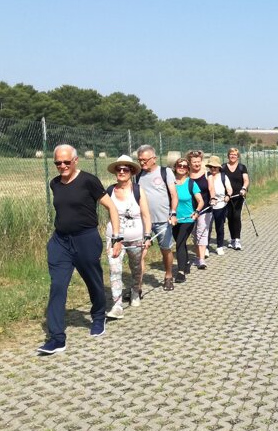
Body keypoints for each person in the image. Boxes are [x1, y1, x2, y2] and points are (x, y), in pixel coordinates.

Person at [39, 144, 121, 354]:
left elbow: (111, 207)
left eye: (67, 162)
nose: (62, 166)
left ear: (75, 161)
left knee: (93, 280)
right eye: (58, 163)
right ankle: (57, 338)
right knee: (57, 285)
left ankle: (98, 316)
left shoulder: (88, 181)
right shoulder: (54, 183)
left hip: (86, 239)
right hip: (60, 242)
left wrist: (117, 237)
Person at [104, 155, 152, 319]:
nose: (122, 171)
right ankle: (117, 306)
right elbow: (109, 215)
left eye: (126, 169)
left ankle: (135, 291)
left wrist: (147, 237)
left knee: (136, 267)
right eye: (119, 169)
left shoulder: (138, 191)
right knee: (115, 270)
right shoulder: (110, 191)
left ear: (131, 172)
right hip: (114, 238)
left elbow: (146, 215)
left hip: (136, 238)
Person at [136, 145, 179, 291]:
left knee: (165, 249)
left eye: (145, 160)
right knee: (140, 253)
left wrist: (173, 213)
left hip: (163, 221)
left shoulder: (165, 172)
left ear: (153, 159)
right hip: (143, 222)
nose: (142, 163)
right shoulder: (138, 175)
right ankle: (138, 286)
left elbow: (174, 195)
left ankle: (168, 276)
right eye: (139, 160)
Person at [172, 157, 204, 284]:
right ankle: (185, 263)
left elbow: (201, 201)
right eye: (179, 165)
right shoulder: (170, 183)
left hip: (188, 219)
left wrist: (196, 212)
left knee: (179, 243)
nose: (182, 167)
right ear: (175, 167)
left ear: (187, 169)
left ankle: (181, 272)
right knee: (181, 242)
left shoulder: (191, 183)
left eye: (185, 166)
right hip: (174, 219)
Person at [221, 147, 250, 250]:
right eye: (231, 154)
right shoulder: (223, 167)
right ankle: (232, 239)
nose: (233, 156)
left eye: (235, 155)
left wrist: (243, 188)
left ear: (238, 157)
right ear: (228, 155)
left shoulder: (242, 167)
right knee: (230, 217)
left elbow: (246, 180)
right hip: (227, 197)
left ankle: (237, 240)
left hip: (238, 196)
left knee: (236, 216)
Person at [187, 150, 211, 269]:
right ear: (190, 163)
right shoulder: (186, 175)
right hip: (189, 209)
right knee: (194, 233)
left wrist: (213, 199)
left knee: (202, 231)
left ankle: (201, 259)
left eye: (198, 162)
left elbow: (211, 189)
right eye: (194, 162)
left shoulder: (207, 174)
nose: (197, 164)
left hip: (205, 208)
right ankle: (197, 256)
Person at [206, 155, 233, 254]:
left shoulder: (223, 176)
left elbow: (229, 189)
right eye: (211, 167)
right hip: (208, 205)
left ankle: (220, 246)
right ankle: (205, 248)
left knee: (219, 226)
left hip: (221, 205)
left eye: (215, 167)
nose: (213, 169)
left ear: (218, 168)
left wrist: (228, 195)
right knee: (207, 227)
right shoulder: (206, 176)